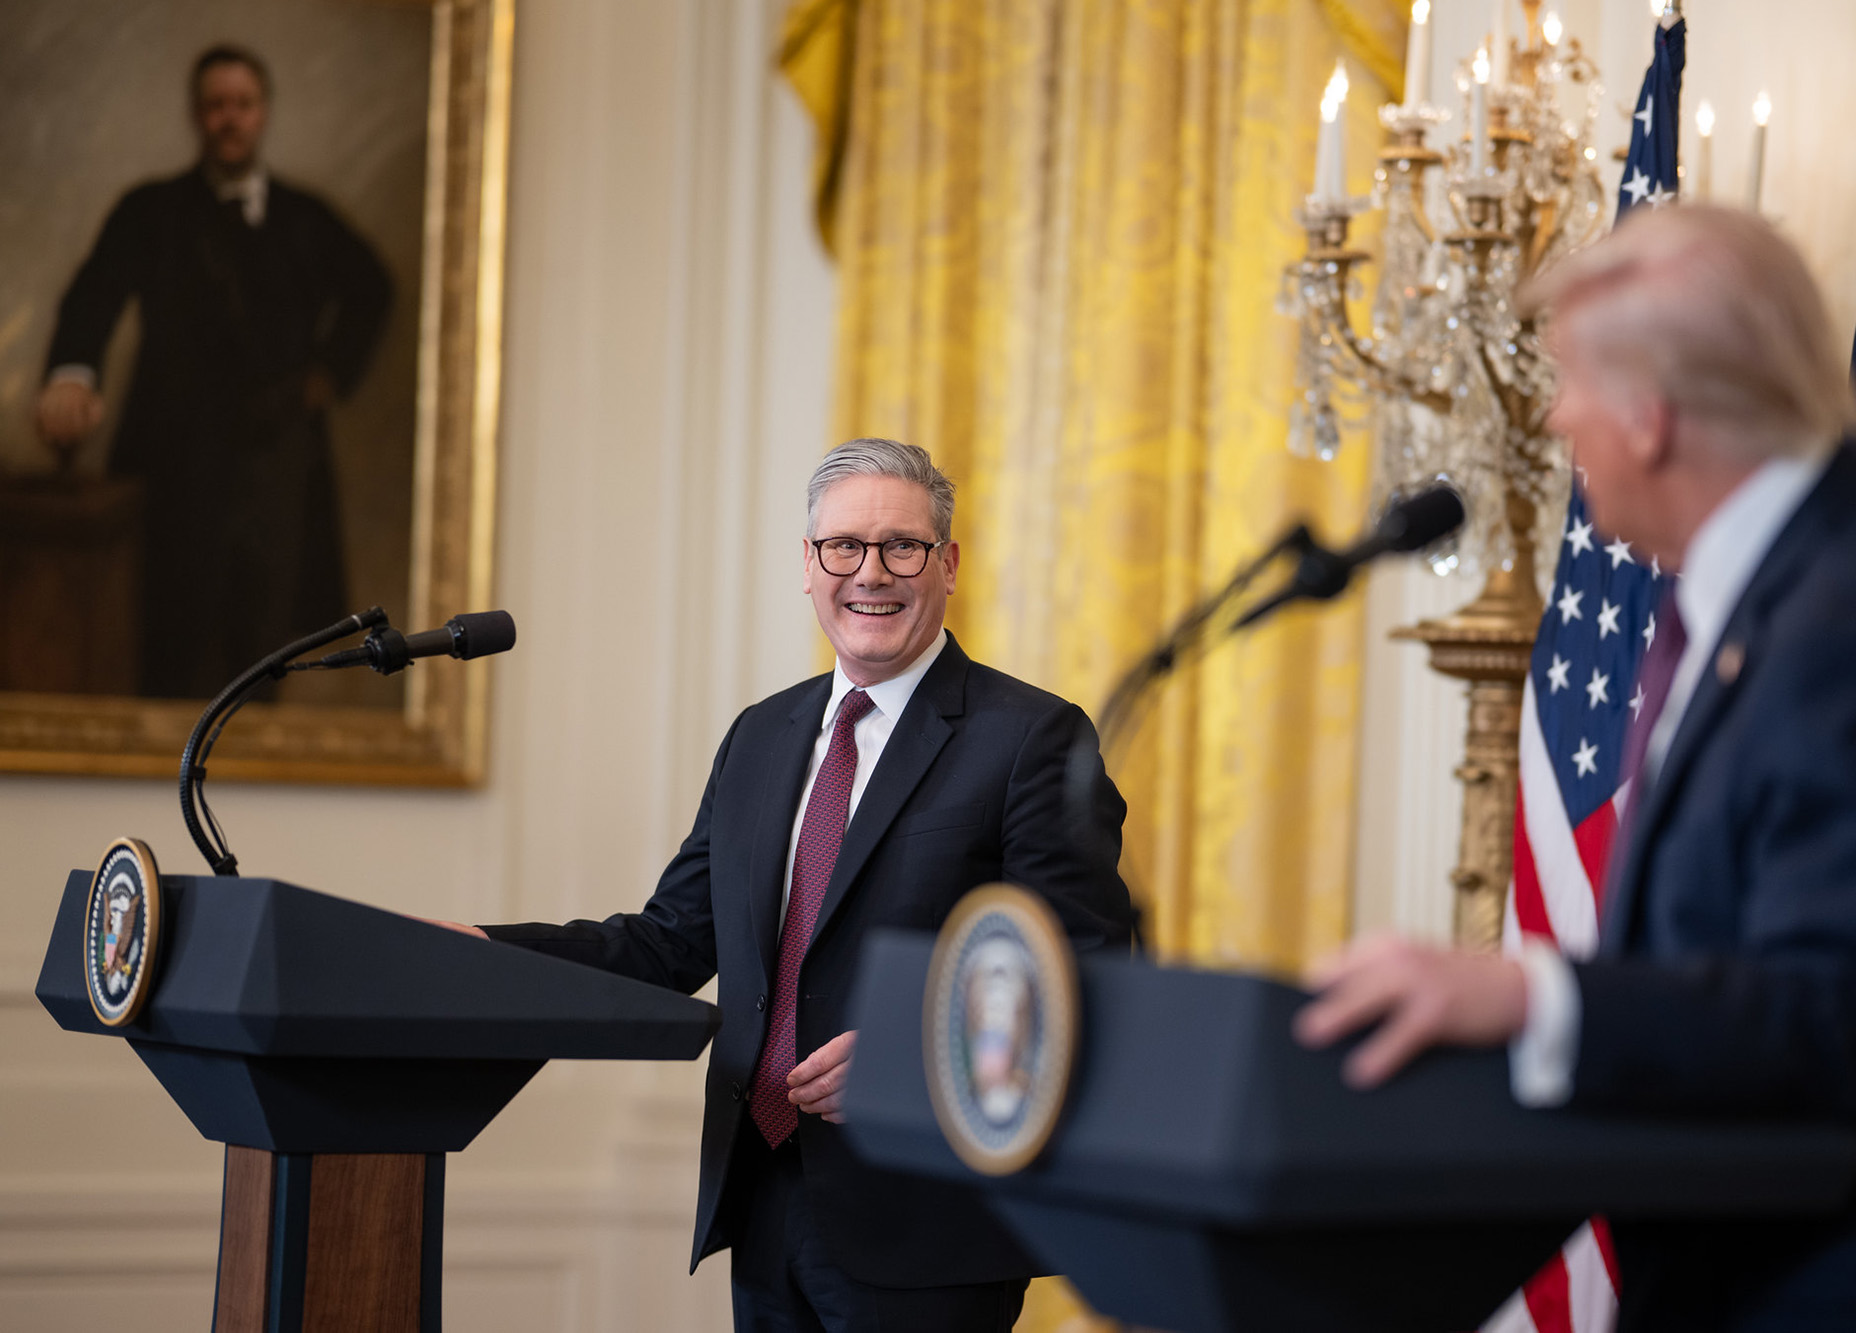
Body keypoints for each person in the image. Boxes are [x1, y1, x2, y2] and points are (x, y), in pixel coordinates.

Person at [1294, 206, 1856, 1330]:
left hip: (1845, 1290)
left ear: (1648, 414)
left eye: (1569, 381)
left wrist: (1526, 992)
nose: (1551, 414)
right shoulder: (1770, 588)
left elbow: (1840, 1010)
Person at [459, 439, 1132, 1332]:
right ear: (807, 567)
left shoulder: (1032, 737)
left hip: (924, 1219)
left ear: (950, 564)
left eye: (904, 546)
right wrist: (482, 957)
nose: (872, 573)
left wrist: (914, 1055)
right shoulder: (760, 736)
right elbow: (668, 941)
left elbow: (1087, 970)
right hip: (764, 1195)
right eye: (843, 547)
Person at [37, 44, 392, 698]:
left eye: (243, 105)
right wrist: (72, 374)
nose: (229, 118)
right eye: (216, 105)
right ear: (197, 116)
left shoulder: (305, 218)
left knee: (267, 654)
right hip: (173, 467)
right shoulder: (150, 210)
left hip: (278, 471)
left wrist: (331, 371)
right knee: (163, 648)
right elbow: (94, 295)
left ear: (263, 114)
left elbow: (373, 289)